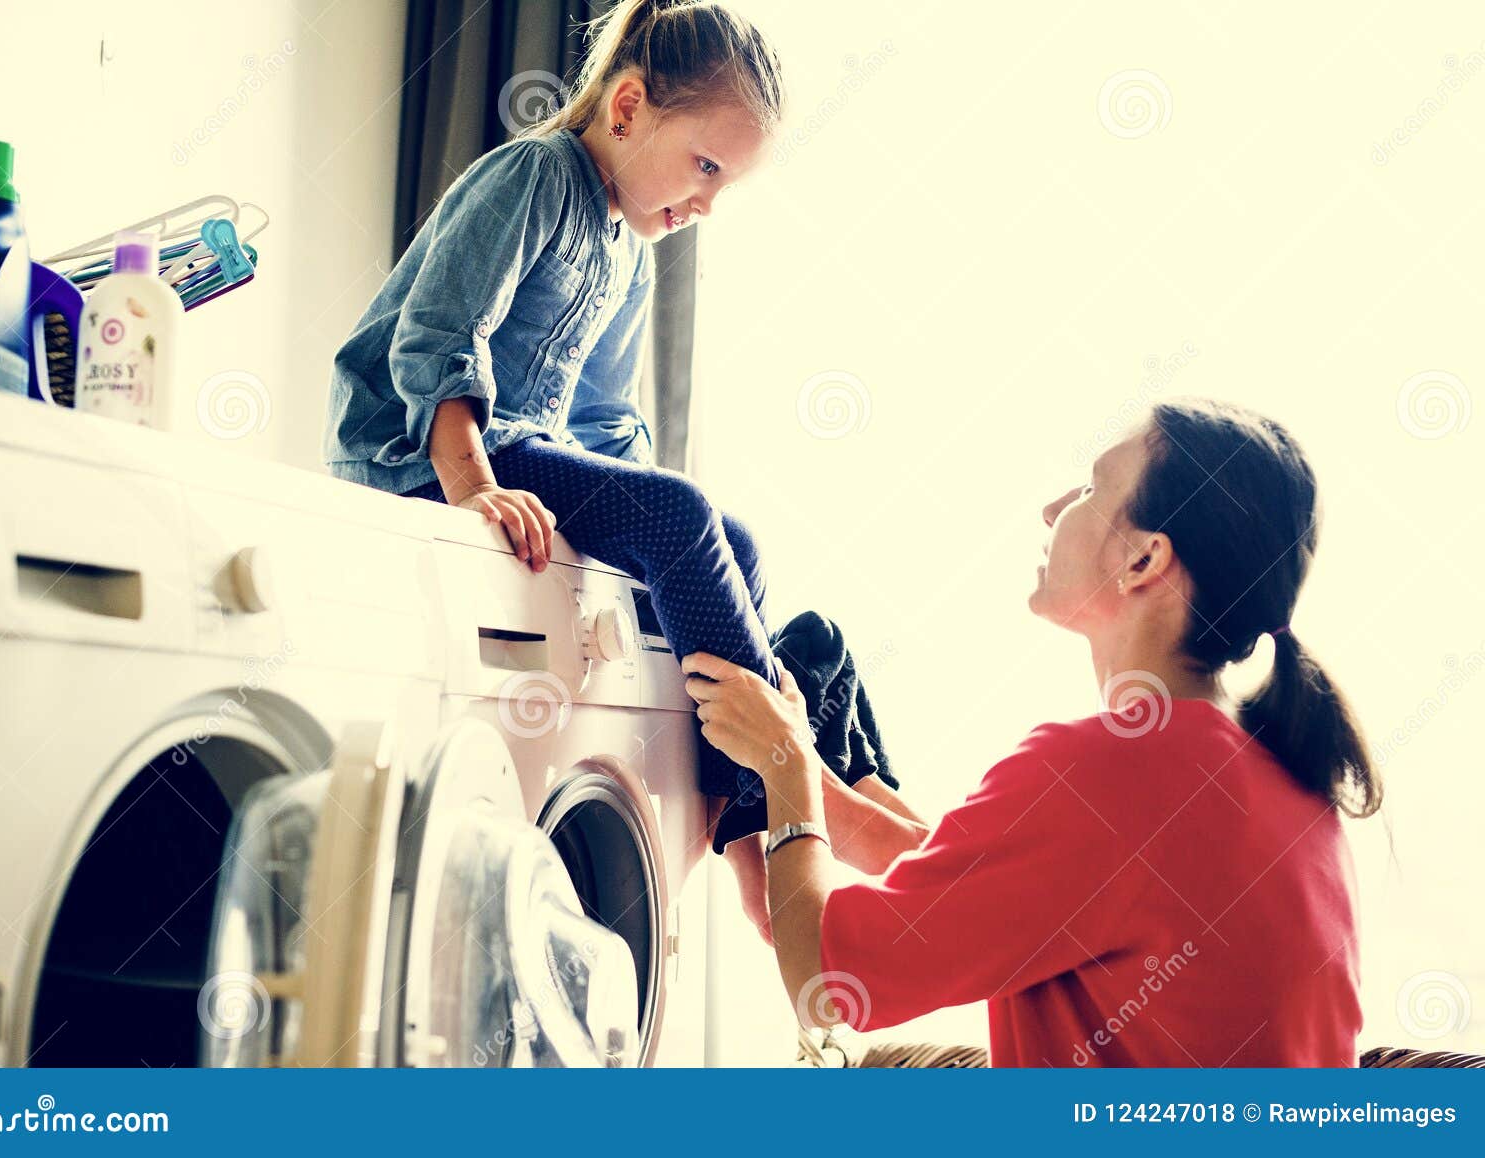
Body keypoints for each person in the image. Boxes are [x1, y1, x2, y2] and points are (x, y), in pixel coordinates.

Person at [684, 399, 1382, 1066]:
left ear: (1144, 560)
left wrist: (783, 765)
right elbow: (1022, 893)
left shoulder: (1113, 768)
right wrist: (817, 784)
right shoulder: (1280, 779)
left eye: (1089, 489)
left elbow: (824, 985)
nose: (1053, 510)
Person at [321, 0, 786, 910]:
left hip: (529, 447)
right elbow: (437, 334)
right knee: (683, 521)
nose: (704, 205)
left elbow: (611, 423)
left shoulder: (630, 252)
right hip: (421, 446)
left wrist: (670, 523)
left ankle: (732, 821)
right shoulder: (535, 176)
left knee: (731, 538)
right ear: (626, 108)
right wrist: (470, 484)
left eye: (724, 186)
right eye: (704, 167)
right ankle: (770, 811)